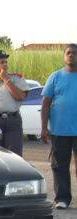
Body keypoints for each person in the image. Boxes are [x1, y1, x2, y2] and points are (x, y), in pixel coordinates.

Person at [41, 44, 77, 209]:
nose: (72, 55)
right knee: (60, 166)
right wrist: (44, 128)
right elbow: (46, 103)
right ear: (64, 56)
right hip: (59, 131)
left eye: (75, 53)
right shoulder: (55, 77)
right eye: (68, 53)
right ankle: (62, 198)